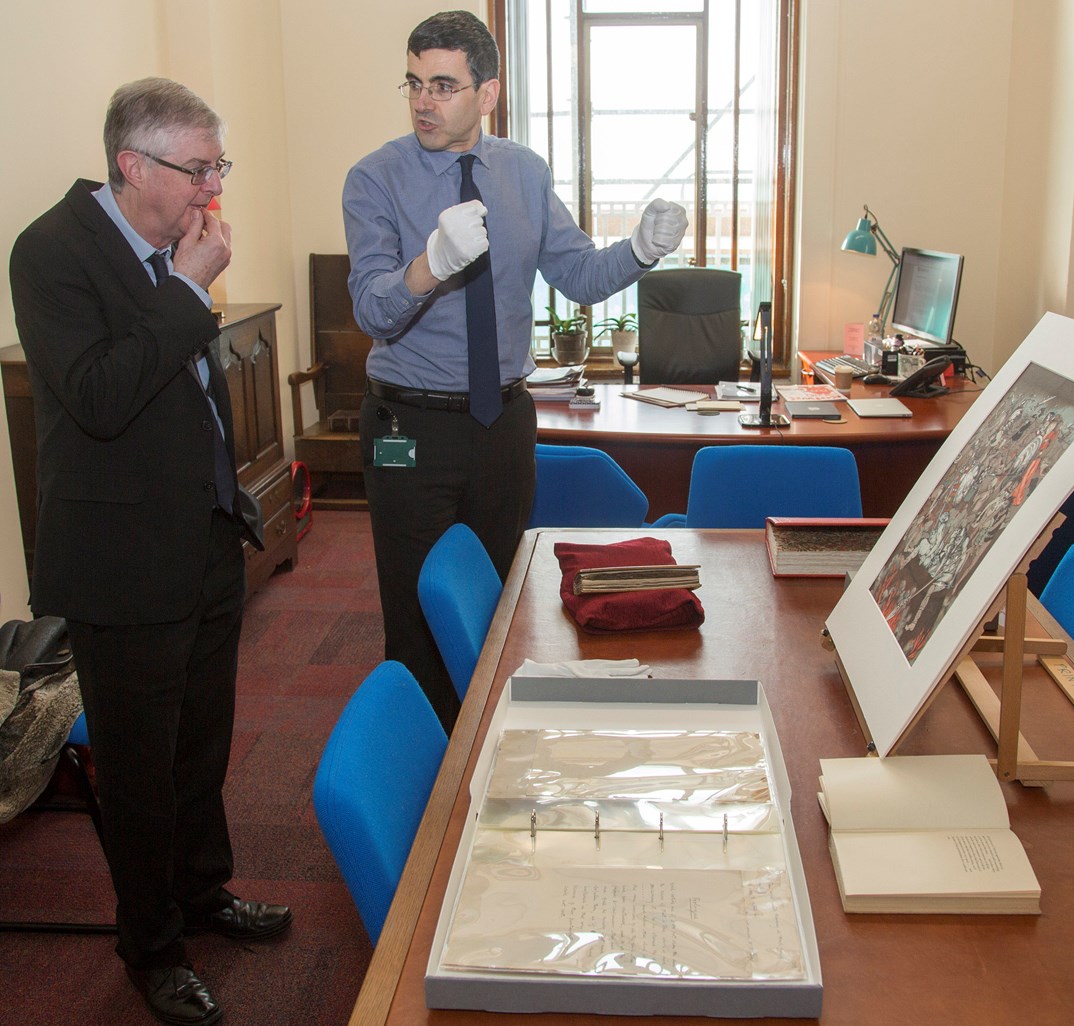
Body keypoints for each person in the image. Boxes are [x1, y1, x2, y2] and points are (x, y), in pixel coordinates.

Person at [9, 77, 291, 1026]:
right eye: (197, 169)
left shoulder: (174, 240)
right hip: (122, 561)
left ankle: (203, 892)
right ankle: (153, 947)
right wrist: (185, 290)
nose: (213, 188)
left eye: (220, 166)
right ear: (133, 166)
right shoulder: (51, 254)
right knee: (137, 765)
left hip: (204, 534)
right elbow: (97, 396)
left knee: (201, 745)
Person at [343, 10, 686, 730]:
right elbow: (373, 311)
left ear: (488, 93)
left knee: (493, 602)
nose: (423, 102)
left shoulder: (523, 173)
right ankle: (425, 785)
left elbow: (580, 275)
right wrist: (430, 266)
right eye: (413, 84)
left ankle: (488, 745)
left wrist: (640, 252)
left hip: (501, 420)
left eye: (444, 85)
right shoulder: (376, 178)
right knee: (415, 616)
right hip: (409, 424)